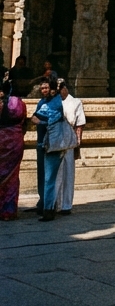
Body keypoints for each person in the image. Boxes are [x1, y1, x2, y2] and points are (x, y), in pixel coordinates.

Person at [31, 75, 64, 221]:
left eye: (46, 87)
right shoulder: (42, 102)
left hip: (52, 144)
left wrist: (40, 121)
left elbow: (37, 118)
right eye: (42, 87)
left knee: (49, 178)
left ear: (52, 89)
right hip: (42, 143)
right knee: (42, 176)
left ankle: (49, 209)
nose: (44, 90)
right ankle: (43, 203)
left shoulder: (56, 102)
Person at [53, 79, 85, 215]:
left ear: (65, 88)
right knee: (55, 171)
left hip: (69, 137)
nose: (59, 92)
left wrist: (78, 143)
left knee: (68, 171)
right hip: (55, 138)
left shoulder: (75, 102)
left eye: (61, 88)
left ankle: (66, 204)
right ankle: (55, 203)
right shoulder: (54, 101)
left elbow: (79, 124)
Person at [0, 80, 27, 220]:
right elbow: (24, 122)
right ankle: (9, 211)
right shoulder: (19, 103)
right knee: (12, 177)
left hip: (1, 140)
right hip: (16, 141)